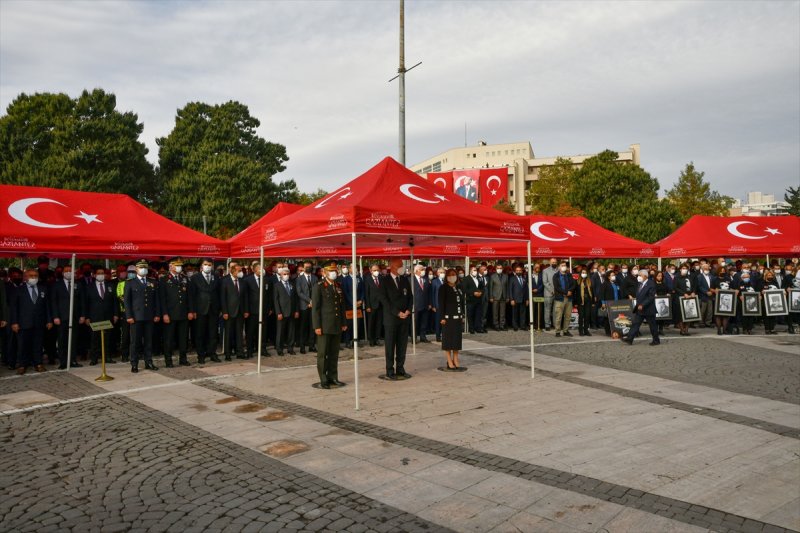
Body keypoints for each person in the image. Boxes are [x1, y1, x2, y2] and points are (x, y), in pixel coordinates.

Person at [9, 269, 53, 374]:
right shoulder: (18, 290)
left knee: (38, 344)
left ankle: (38, 363)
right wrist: (14, 322)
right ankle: (22, 365)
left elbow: (47, 306)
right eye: (31, 276)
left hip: (39, 322)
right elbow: (14, 308)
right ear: (25, 277)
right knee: (23, 345)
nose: (34, 278)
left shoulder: (43, 289)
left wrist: (49, 320)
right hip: (23, 323)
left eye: (35, 276)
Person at [312, 262, 347, 389]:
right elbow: (315, 309)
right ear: (324, 272)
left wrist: (344, 322)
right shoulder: (319, 286)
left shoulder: (338, 285)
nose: (334, 273)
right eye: (331, 271)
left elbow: (341, 306)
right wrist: (317, 326)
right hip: (324, 325)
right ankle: (323, 378)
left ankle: (333, 376)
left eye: (335, 271)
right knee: (323, 353)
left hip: (336, 324)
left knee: (334, 353)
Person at [124, 260, 161, 372]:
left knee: (149, 341)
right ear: (136, 269)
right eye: (141, 268)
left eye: (145, 267)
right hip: (136, 317)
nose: (143, 269)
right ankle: (134, 363)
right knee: (135, 342)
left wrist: (157, 314)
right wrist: (129, 316)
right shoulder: (130, 282)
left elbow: (156, 300)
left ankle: (148, 362)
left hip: (149, 316)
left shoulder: (152, 282)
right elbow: (127, 301)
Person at [378, 259, 413, 380]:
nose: (402, 268)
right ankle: (389, 370)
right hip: (391, 318)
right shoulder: (384, 281)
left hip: (404, 318)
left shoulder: (404, 279)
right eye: (400, 266)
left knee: (402, 344)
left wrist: (408, 310)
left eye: (402, 266)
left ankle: (400, 368)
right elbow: (384, 300)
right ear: (392, 267)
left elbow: (410, 297)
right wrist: (397, 313)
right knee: (390, 345)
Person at [50, 264, 85, 369]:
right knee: (62, 340)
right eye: (66, 270)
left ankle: (73, 360)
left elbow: (82, 301)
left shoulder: (78, 284)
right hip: (61, 317)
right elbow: (53, 302)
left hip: (75, 317)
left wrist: (83, 315)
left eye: (70, 270)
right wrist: (55, 316)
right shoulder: (56, 285)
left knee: (73, 340)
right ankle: (63, 362)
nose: (68, 272)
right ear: (63, 273)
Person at [159, 259, 192, 367]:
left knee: (183, 338)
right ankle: (168, 361)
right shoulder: (164, 279)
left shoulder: (184, 278)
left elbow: (188, 297)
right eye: (177, 266)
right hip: (170, 314)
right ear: (171, 266)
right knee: (169, 339)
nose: (179, 267)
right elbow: (162, 298)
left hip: (183, 313)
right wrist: (164, 314)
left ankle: (183, 359)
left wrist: (190, 311)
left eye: (180, 266)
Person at [189, 259, 221, 364]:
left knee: (213, 333)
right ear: (202, 266)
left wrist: (220, 308)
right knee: (200, 333)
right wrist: (192, 310)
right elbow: (192, 295)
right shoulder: (195, 278)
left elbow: (218, 292)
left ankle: (212, 353)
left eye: (209, 265)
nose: (207, 266)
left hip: (213, 309)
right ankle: (201, 355)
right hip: (200, 310)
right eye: (205, 264)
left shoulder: (216, 276)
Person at [85, 267, 118, 366]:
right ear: (94, 275)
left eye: (102, 273)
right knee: (95, 338)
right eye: (98, 273)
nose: (101, 275)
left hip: (107, 316)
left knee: (107, 338)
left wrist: (116, 314)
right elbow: (85, 303)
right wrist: (86, 316)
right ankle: (94, 358)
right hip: (94, 316)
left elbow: (115, 301)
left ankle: (107, 357)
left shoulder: (110, 285)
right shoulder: (89, 287)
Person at [242, 261, 272, 358]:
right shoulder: (247, 280)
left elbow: (269, 295)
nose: (261, 270)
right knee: (251, 331)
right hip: (252, 311)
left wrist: (270, 308)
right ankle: (249, 350)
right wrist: (246, 310)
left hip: (264, 310)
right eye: (259, 268)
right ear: (254, 269)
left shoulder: (267, 279)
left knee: (263, 331)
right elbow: (245, 297)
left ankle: (262, 349)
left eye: (262, 268)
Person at [622, 270, 659, 345]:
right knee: (635, 324)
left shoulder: (651, 284)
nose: (638, 277)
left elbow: (650, 297)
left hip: (648, 309)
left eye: (640, 275)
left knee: (652, 325)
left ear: (645, 276)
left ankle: (656, 340)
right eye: (638, 275)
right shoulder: (639, 284)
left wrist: (643, 304)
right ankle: (630, 339)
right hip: (640, 309)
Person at [439, 268, 465, 370]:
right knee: (448, 340)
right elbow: (441, 304)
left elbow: (462, 303)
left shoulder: (459, 287)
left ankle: (456, 359)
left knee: (456, 340)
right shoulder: (443, 288)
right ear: (446, 277)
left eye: (454, 274)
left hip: (457, 318)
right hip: (447, 318)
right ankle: (449, 360)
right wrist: (442, 317)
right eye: (450, 275)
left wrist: (462, 315)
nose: (452, 276)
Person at [220, 261, 246, 360]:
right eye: (239, 271)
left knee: (239, 333)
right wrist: (225, 311)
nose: (240, 272)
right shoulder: (225, 281)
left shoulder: (241, 281)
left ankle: (240, 352)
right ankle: (227, 353)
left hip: (240, 311)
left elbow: (244, 297)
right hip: (229, 312)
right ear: (233, 271)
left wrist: (245, 310)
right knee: (228, 333)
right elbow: (223, 298)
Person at [273, 267, 299, 355]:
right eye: (284, 274)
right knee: (280, 331)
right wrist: (278, 312)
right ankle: (279, 349)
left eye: (287, 274)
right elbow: (276, 300)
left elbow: (296, 298)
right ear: (280, 275)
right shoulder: (277, 285)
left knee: (291, 331)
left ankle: (290, 348)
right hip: (282, 312)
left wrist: (296, 311)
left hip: (292, 311)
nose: (286, 276)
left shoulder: (292, 284)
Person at [294, 260, 316, 354]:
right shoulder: (299, 279)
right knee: (303, 327)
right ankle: (302, 347)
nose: (308, 268)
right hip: (304, 306)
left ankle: (311, 346)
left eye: (309, 266)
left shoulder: (315, 278)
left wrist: (313, 301)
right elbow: (299, 293)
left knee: (313, 327)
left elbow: (316, 291)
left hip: (313, 305)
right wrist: (309, 300)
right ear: (303, 268)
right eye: (306, 266)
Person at [340, 263, 364, 349]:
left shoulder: (359, 278)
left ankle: (356, 341)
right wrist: (353, 302)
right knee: (349, 324)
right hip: (349, 305)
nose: (355, 269)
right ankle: (348, 341)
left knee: (357, 323)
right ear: (349, 269)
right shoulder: (345, 279)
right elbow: (345, 292)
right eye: (353, 268)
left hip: (358, 305)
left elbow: (362, 290)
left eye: (356, 268)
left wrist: (360, 300)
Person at [552, 261, 576, 337]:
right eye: (562, 265)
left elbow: (573, 284)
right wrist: (566, 292)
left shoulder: (569, 275)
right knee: (558, 316)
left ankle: (566, 330)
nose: (564, 267)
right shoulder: (555, 276)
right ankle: (557, 331)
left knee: (568, 316)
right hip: (560, 298)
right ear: (559, 267)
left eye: (565, 265)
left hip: (569, 299)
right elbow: (557, 287)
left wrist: (570, 291)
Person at [674, 263, 697, 336]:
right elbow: (675, 287)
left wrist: (693, 292)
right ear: (680, 269)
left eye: (686, 268)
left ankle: (686, 329)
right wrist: (683, 294)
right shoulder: (676, 277)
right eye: (683, 268)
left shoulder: (690, 277)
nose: (684, 270)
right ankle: (682, 330)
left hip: (690, 297)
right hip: (680, 298)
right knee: (680, 315)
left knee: (688, 314)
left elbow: (694, 285)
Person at [364, 264, 384, 347]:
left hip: (380, 304)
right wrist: (368, 306)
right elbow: (366, 293)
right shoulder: (367, 279)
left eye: (377, 270)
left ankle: (377, 338)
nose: (376, 272)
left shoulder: (381, 278)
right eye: (374, 270)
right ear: (370, 270)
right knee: (371, 322)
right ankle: (371, 339)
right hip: (372, 305)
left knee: (379, 322)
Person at [463, 266, 486, 334]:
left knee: (478, 315)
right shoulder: (466, 279)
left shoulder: (479, 278)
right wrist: (473, 293)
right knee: (470, 315)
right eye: (474, 270)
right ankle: (471, 329)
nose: (475, 271)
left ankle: (478, 328)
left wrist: (481, 292)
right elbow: (464, 289)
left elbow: (482, 287)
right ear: (470, 271)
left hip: (478, 300)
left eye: (476, 270)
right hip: (470, 300)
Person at [411, 264, 431, 343]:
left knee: (424, 322)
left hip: (425, 304)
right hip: (415, 304)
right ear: (416, 271)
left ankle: (423, 336)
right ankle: (414, 338)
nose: (424, 271)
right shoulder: (411, 280)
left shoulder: (425, 279)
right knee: (415, 322)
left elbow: (428, 292)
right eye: (422, 269)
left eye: (424, 269)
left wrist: (429, 303)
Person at [711, 266, 734, 335]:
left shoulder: (728, 279)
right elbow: (711, 288)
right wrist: (715, 290)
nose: (722, 272)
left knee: (726, 315)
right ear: (718, 272)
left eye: (724, 271)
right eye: (721, 271)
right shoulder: (715, 279)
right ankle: (719, 330)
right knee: (718, 315)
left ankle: (724, 330)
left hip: (727, 299)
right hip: (717, 299)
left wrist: (731, 290)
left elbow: (732, 288)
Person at [600, 270, 621, 336]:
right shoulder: (605, 283)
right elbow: (602, 294)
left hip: (616, 303)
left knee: (615, 317)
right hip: (608, 302)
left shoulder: (616, 283)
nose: (614, 276)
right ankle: (608, 331)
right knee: (608, 317)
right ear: (608, 277)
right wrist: (603, 303)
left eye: (614, 275)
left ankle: (615, 330)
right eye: (612, 275)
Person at [487, 263, 508, 331]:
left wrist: (507, 296)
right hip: (495, 296)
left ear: (502, 269)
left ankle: (502, 325)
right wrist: (491, 297)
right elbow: (490, 287)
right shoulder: (492, 276)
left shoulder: (505, 276)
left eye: (500, 268)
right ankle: (496, 325)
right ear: (496, 269)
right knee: (495, 312)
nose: (499, 269)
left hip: (503, 296)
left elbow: (507, 286)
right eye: (498, 268)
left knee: (503, 312)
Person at [575, 268, 594, 336]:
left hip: (588, 301)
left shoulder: (589, 281)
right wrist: (575, 303)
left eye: (585, 272)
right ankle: (580, 331)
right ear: (580, 274)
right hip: (580, 301)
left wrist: (593, 302)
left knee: (587, 316)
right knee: (581, 316)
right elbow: (575, 293)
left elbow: (592, 291)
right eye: (582, 272)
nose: (584, 274)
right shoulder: (577, 282)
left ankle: (586, 330)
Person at [542, 259, 558, 331]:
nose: (554, 263)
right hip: (548, 293)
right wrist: (552, 291)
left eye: (555, 262)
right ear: (550, 263)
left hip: (558, 293)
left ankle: (555, 324)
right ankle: (547, 325)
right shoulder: (545, 271)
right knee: (547, 310)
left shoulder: (559, 270)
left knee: (556, 310)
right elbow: (545, 282)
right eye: (553, 262)